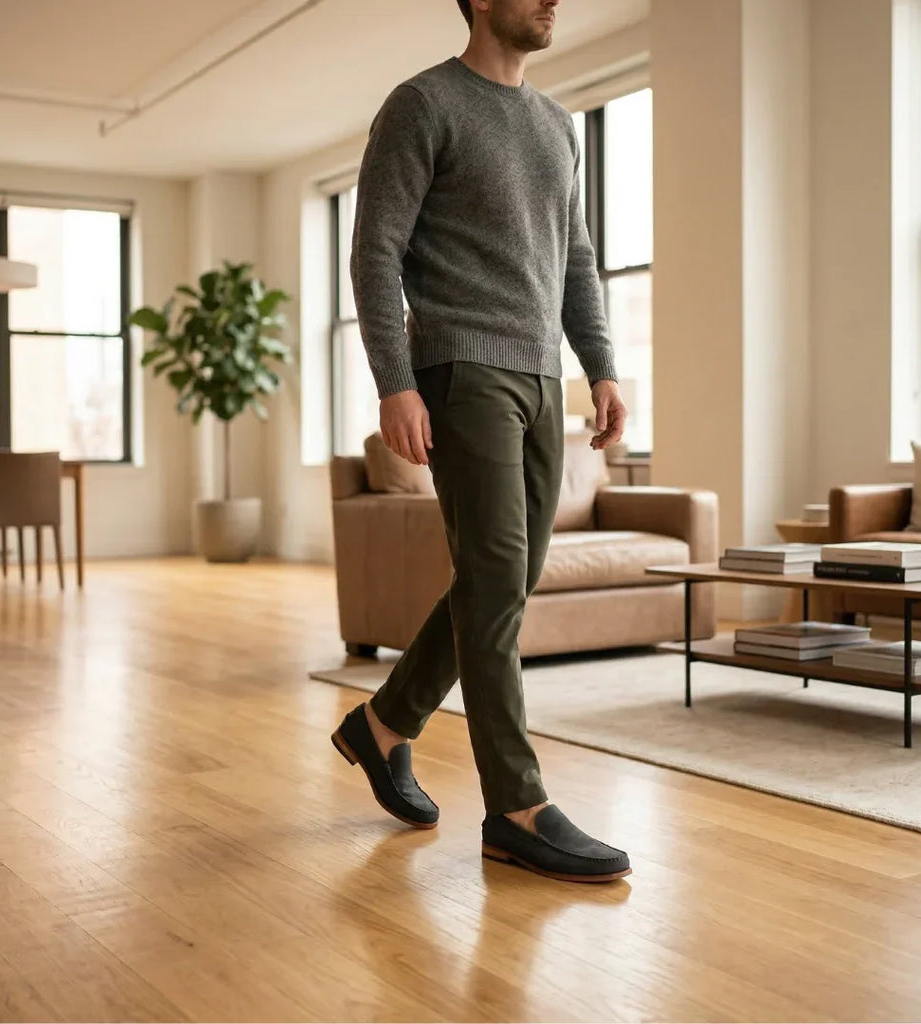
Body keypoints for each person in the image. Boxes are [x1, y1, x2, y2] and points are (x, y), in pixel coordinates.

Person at [331, 0, 631, 883]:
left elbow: (574, 258)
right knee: (498, 577)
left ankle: (385, 723)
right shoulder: (423, 105)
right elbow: (375, 251)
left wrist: (601, 366)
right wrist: (395, 382)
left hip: (541, 378)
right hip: (461, 370)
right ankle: (517, 805)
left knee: (505, 579)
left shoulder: (556, 125)